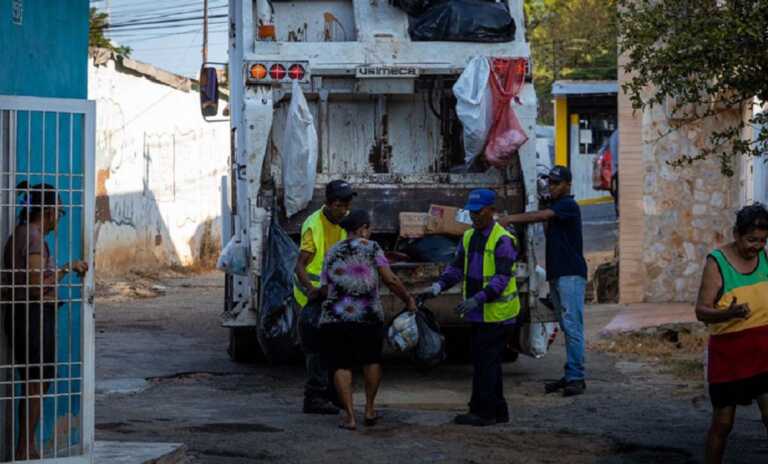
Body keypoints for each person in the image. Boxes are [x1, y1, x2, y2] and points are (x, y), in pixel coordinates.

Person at [1, 182, 88, 460]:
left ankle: (27, 447)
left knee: (35, 383)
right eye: (59, 213)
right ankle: (25, 448)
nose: (58, 219)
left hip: (27, 314)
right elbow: (38, 286)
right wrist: (68, 268)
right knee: (36, 384)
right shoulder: (33, 238)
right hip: (33, 315)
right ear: (48, 211)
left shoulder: (23, 235)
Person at [427, 189, 520, 426]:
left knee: (484, 364)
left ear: (492, 211)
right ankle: (498, 410)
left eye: (478, 213)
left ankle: (483, 412)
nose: (474, 217)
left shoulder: (503, 239)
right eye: (471, 213)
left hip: (497, 314)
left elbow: (501, 279)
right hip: (480, 313)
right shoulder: (469, 237)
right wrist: (439, 286)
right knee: (487, 363)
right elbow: (456, 268)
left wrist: (476, 299)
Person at [318, 209, 417, 430]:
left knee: (341, 365)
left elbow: (325, 287)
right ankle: (370, 410)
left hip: (336, 318)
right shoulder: (373, 248)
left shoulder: (332, 251)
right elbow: (390, 279)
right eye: (369, 228)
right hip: (368, 316)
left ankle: (350, 417)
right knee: (371, 360)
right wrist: (408, 299)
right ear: (363, 228)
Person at [499, 165, 588, 397]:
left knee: (572, 326)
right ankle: (571, 374)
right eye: (550, 183)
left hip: (571, 274)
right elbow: (549, 229)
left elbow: (541, 217)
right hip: (559, 274)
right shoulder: (557, 208)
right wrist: (544, 201)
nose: (552, 187)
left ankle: (576, 376)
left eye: (556, 183)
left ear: (568, 185)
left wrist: (509, 219)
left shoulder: (569, 205)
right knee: (567, 325)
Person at [695, 203, 768, 464]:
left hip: (763, 353)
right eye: (751, 240)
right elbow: (701, 311)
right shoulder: (717, 263)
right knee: (723, 424)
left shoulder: (764, 258)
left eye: (762, 240)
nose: (756, 246)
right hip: (729, 357)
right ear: (736, 234)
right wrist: (729, 313)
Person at [294, 180, 355, 415]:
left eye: (347, 205)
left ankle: (333, 395)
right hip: (312, 298)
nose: (344, 210)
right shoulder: (314, 225)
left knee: (334, 346)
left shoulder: (344, 223)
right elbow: (299, 265)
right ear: (329, 204)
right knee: (316, 348)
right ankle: (314, 398)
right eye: (341, 205)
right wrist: (312, 290)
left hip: (333, 296)